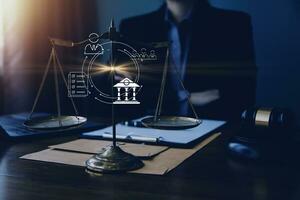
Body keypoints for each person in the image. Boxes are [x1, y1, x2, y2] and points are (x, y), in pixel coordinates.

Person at [119, 0, 256, 121]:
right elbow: (122, 94)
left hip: (214, 130)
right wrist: (187, 98)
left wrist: (151, 95)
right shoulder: (133, 28)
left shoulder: (234, 24)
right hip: (146, 129)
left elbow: (242, 92)